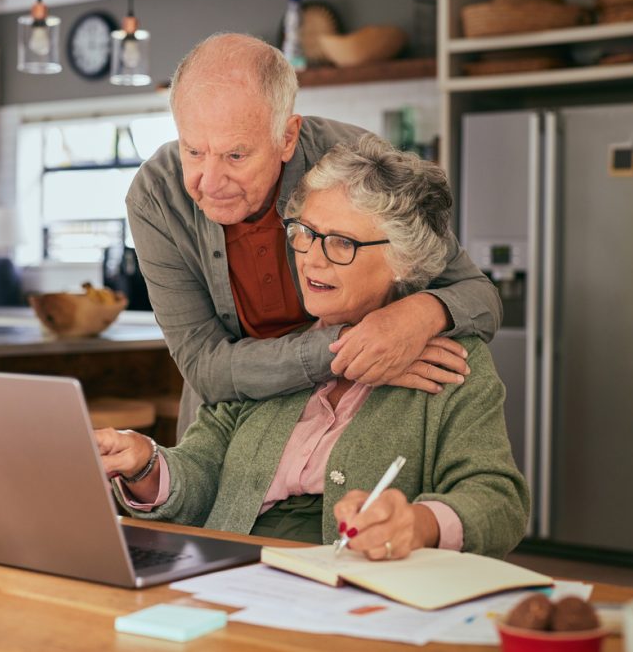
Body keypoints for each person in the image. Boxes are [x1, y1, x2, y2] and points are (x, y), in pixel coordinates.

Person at [99, 135, 529, 560]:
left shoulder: (452, 361)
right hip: (228, 577)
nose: (311, 259)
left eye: (342, 243)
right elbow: (202, 470)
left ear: (405, 261)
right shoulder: (271, 352)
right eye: (305, 233)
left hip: (356, 592)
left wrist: (420, 523)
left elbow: (499, 502)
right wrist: (145, 464)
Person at [126, 33, 502, 434]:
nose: (210, 181)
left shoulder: (356, 163)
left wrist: (417, 316)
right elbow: (206, 368)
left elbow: (480, 298)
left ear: (287, 137)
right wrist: (356, 346)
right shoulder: (155, 196)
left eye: (236, 155)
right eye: (193, 151)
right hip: (227, 433)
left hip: (360, 418)